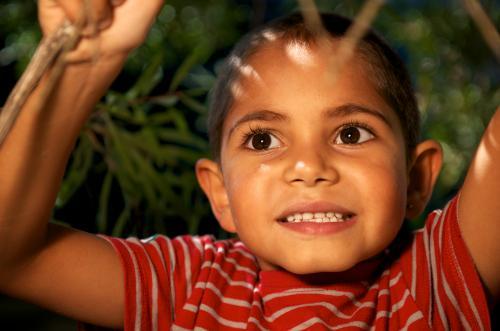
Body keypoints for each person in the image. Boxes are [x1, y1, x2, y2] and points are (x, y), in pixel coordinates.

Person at [0, 0, 498, 330]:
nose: (308, 166)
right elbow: (12, 255)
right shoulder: (191, 289)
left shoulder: (438, 281)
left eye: (350, 134)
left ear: (415, 180)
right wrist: (81, 68)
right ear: (220, 194)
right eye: (262, 139)